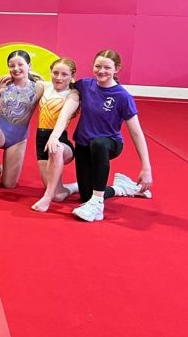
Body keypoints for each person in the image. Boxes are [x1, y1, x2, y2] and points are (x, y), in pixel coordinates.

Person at [45, 50, 153, 222]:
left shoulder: (123, 97)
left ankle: (97, 205)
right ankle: (121, 188)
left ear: (117, 69)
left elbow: (137, 133)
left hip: (109, 143)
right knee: (85, 196)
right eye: (98, 66)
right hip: (83, 146)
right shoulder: (84, 85)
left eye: (107, 68)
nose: (101, 71)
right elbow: (62, 82)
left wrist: (146, 168)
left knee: (99, 144)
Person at [0, 50, 44, 193]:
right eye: (12, 66)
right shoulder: (4, 83)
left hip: (18, 137)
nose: (16, 69)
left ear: (29, 65)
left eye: (20, 65)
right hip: (0, 130)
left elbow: (60, 85)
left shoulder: (39, 87)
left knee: (9, 185)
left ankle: (3, 167)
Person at [30, 57, 78, 212]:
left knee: (56, 149)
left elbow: (64, 117)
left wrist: (54, 137)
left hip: (60, 142)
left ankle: (46, 198)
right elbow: (25, 76)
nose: (59, 78)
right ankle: (76, 186)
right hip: (41, 142)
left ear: (72, 76)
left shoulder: (73, 94)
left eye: (64, 74)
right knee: (58, 194)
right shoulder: (45, 86)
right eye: (55, 73)